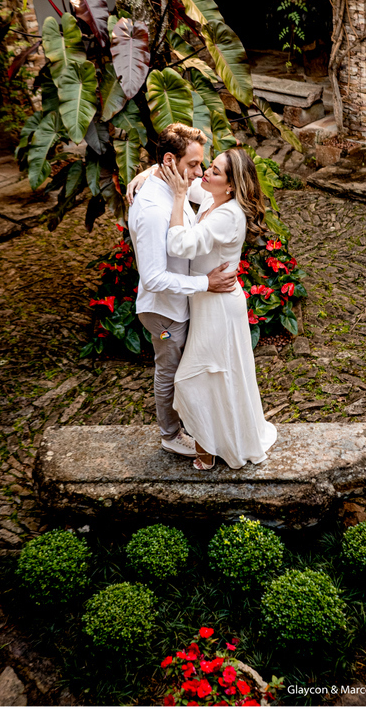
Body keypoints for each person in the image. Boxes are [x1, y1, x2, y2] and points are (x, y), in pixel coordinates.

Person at [159, 146, 278, 471]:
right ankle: (214, 446)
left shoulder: (228, 216)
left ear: (230, 184)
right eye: (208, 167)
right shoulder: (215, 198)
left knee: (195, 378)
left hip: (219, 306)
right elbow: (188, 179)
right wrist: (147, 174)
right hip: (207, 301)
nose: (205, 174)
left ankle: (209, 450)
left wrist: (180, 199)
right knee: (216, 377)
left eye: (214, 171)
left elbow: (178, 244)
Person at [127, 123, 237, 458]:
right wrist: (206, 283)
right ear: (172, 162)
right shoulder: (150, 210)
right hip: (164, 312)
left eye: (202, 164)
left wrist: (149, 169)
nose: (199, 173)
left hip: (181, 303)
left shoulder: (174, 184)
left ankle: (192, 425)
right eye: (193, 165)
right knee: (169, 370)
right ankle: (170, 435)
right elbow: (153, 278)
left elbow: (204, 191)